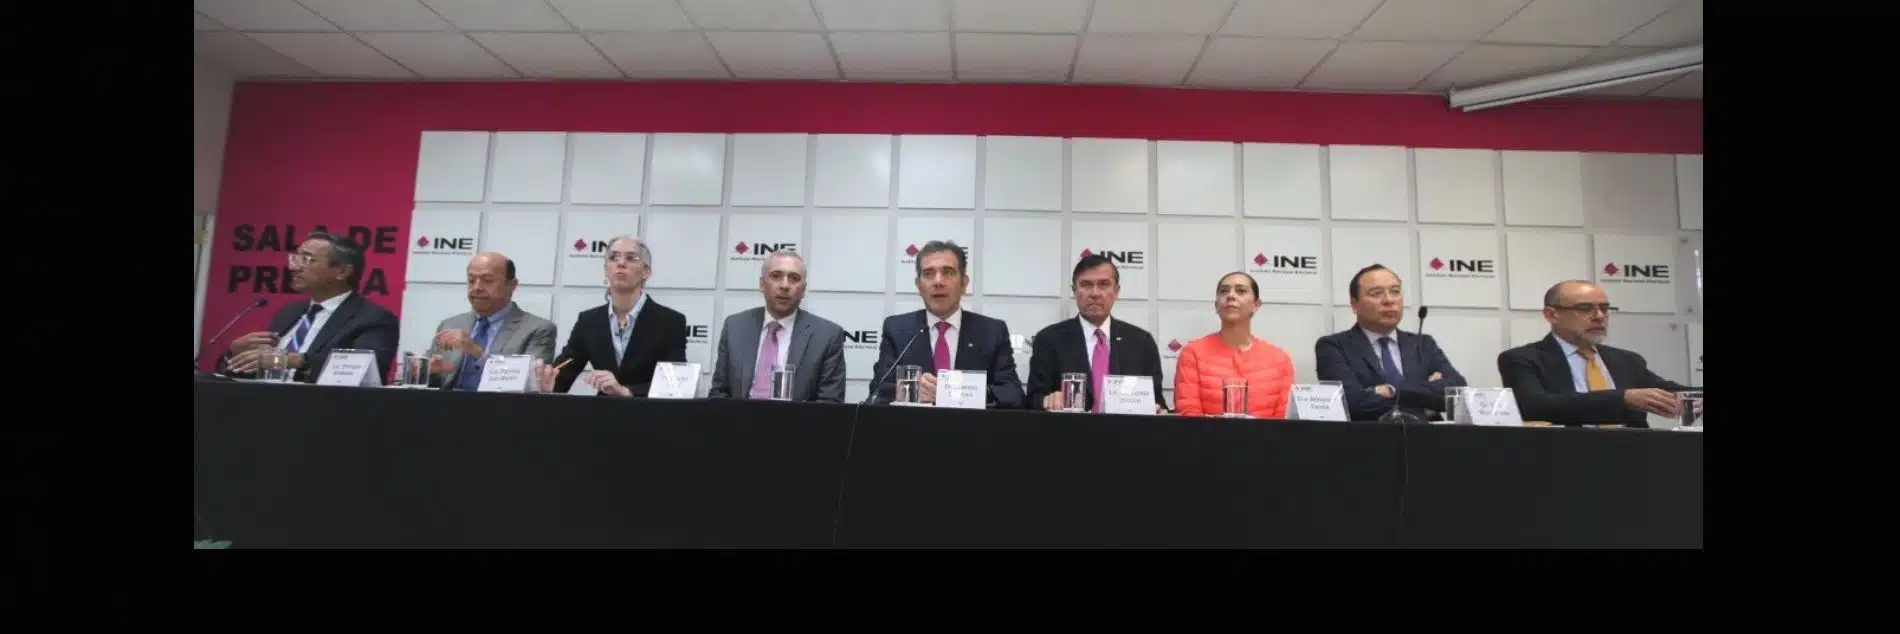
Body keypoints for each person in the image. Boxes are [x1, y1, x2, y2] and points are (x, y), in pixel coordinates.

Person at [1496, 280, 1699, 427]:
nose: (1599, 316)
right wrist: (1623, 398)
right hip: (1564, 456)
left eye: (1604, 308)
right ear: (1551, 315)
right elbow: (1534, 406)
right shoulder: (1522, 359)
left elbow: (1673, 393)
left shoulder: (1627, 360)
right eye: (1585, 308)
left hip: (1633, 455)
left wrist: (1695, 397)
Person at [217, 231, 399, 384]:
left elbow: (363, 371)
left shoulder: (373, 319)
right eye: (295, 258)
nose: (293, 267)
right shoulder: (290, 313)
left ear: (342, 271)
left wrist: (295, 361)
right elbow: (254, 373)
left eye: (305, 259)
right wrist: (233, 354)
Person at [870, 240, 1026, 408]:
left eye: (948, 272)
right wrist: (911, 390)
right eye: (929, 273)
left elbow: (1013, 394)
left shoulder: (992, 331)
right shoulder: (897, 329)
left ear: (964, 283)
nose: (938, 281)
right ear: (918, 286)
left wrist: (957, 392)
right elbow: (878, 391)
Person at [533, 235, 688, 397]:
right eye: (614, 257)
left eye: (631, 258)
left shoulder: (670, 322)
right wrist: (547, 383)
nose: (621, 263)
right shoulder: (588, 321)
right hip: (603, 411)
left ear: (646, 272)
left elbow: (675, 383)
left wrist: (626, 391)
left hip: (647, 411)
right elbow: (564, 372)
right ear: (606, 269)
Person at [1314, 264, 1467, 421]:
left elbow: (1457, 393)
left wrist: (1392, 390)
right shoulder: (1333, 347)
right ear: (1354, 304)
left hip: (1426, 435)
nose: (1389, 300)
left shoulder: (1423, 344)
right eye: (1376, 293)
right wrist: (1425, 401)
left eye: (1395, 291)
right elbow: (1351, 403)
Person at [1025, 254, 1169, 414]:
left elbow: (1156, 401)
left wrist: (1158, 409)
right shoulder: (1049, 340)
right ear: (1074, 291)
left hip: (1126, 430)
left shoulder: (1141, 342)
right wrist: (1047, 400)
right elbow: (1033, 399)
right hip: (1069, 429)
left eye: (1104, 284)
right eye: (1086, 285)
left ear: (1116, 291)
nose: (1095, 293)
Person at [707, 250, 848, 402]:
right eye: (776, 276)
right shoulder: (734, 327)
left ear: (803, 290)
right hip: (739, 417)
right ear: (762, 284)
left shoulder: (827, 336)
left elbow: (830, 403)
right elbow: (719, 393)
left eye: (794, 278)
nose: (785, 285)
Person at [428, 252, 558, 390]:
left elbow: (530, 384)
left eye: (488, 280)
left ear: (512, 285)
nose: (476, 287)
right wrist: (428, 372)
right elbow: (433, 386)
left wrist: (478, 353)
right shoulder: (450, 325)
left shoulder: (538, 329)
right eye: (471, 280)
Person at [1172, 272, 1295, 418]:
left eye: (1241, 291)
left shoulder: (1280, 360)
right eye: (1224, 291)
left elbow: (1284, 422)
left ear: (1256, 305)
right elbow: (1188, 413)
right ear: (1216, 305)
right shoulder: (1193, 354)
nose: (1230, 296)